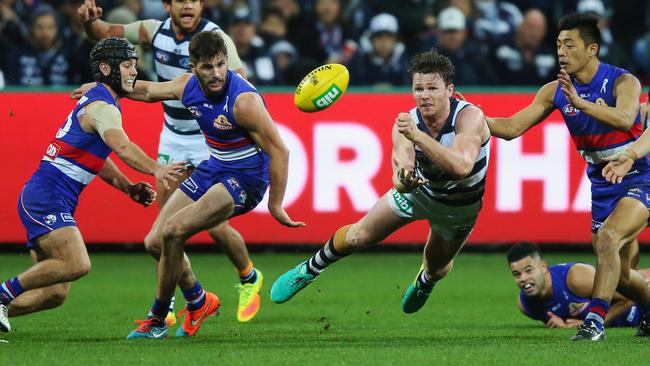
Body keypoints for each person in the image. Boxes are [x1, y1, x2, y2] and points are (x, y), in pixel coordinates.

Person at [77, 0, 264, 323]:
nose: (188, 5)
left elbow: (239, 82)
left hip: (209, 138)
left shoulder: (215, 38)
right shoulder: (154, 30)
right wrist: (89, 24)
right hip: (173, 136)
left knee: (215, 226)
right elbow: (103, 33)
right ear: (168, 5)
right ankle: (175, 304)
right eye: (181, 0)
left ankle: (248, 277)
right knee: (164, 230)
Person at [270, 48, 491, 315]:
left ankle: (425, 282)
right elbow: (399, 174)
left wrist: (418, 137)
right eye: (418, 88)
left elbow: (462, 167)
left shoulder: (469, 117)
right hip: (420, 194)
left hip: (458, 207)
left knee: (436, 266)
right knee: (358, 235)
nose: (424, 95)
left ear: (449, 90)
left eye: (432, 88)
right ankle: (309, 269)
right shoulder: (406, 123)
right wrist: (404, 180)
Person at [121, 31, 304, 339]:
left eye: (221, 65)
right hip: (214, 167)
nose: (217, 73)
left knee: (173, 231)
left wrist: (275, 204)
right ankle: (198, 300)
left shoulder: (244, 101)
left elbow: (280, 151)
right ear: (193, 68)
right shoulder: (186, 86)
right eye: (207, 67)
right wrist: (105, 87)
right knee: (153, 242)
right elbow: (148, 91)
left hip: (245, 179)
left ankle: (156, 318)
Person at [0, 37, 185, 333]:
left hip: (44, 197)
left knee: (55, 294)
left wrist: (128, 188)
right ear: (105, 68)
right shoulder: (103, 107)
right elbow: (122, 147)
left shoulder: (100, 100)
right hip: (46, 198)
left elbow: (95, 158)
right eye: (127, 65)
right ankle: (2, 295)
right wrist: (157, 168)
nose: (134, 71)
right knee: (78, 264)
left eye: (134, 64)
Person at [486, 12, 650, 341]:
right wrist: (466, 115)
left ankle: (593, 323)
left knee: (608, 238)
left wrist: (582, 104)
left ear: (592, 48)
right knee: (620, 276)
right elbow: (511, 127)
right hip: (603, 184)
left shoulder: (622, 81)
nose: (561, 51)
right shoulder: (554, 91)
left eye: (569, 44)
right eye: (558, 44)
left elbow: (623, 118)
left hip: (638, 175)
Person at [508, 241, 650, 329]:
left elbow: (630, 296)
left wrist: (593, 323)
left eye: (528, 270)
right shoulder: (526, 305)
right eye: (516, 274)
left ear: (544, 267)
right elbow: (568, 317)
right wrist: (560, 324)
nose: (523, 278)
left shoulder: (575, 278)